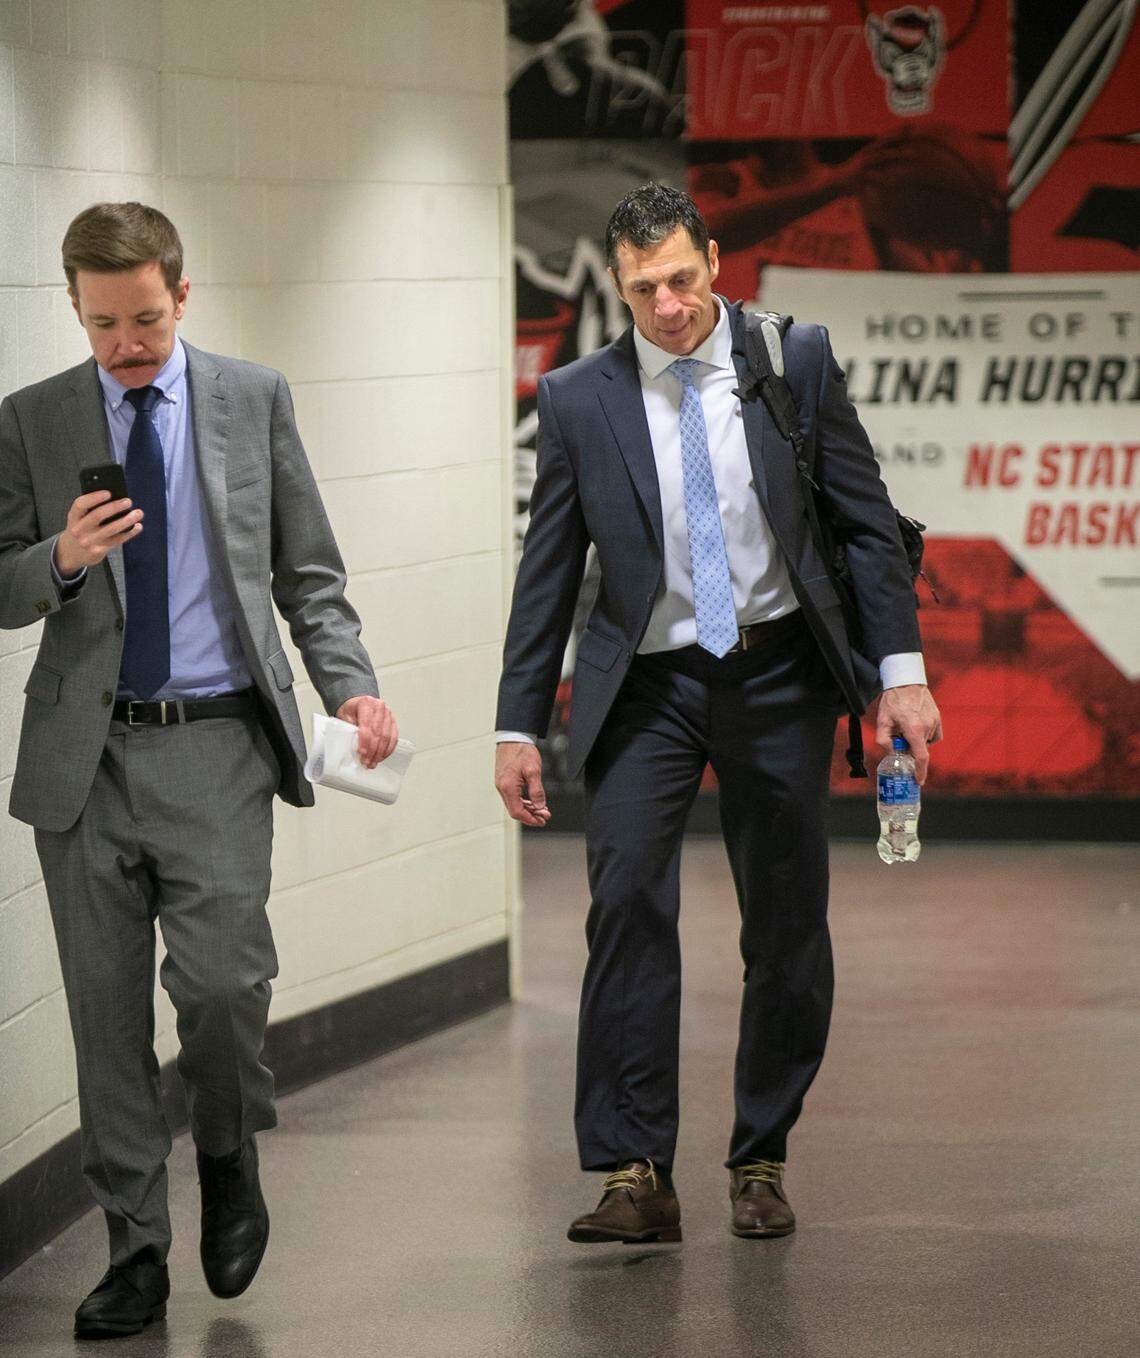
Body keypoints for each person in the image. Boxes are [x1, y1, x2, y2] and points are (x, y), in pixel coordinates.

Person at [494, 184, 941, 1244]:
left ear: (715, 261)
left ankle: (760, 1154)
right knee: (627, 909)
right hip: (647, 685)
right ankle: (634, 1170)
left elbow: (868, 526)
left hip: (778, 672)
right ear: (620, 286)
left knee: (785, 923)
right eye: (644, 287)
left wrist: (903, 671)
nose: (668, 304)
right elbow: (548, 570)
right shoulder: (575, 397)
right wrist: (518, 723)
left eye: (683, 278)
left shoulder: (795, 360)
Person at [0, 203, 397, 1337]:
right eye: (102, 322)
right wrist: (60, 559)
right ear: (74, 308)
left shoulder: (249, 399)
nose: (126, 341)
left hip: (219, 740)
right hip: (86, 757)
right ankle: (135, 1242)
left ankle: (227, 1148)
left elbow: (309, 572)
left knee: (224, 990)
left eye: (145, 316)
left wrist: (350, 683)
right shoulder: (29, 422)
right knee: (105, 1015)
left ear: (184, 291)